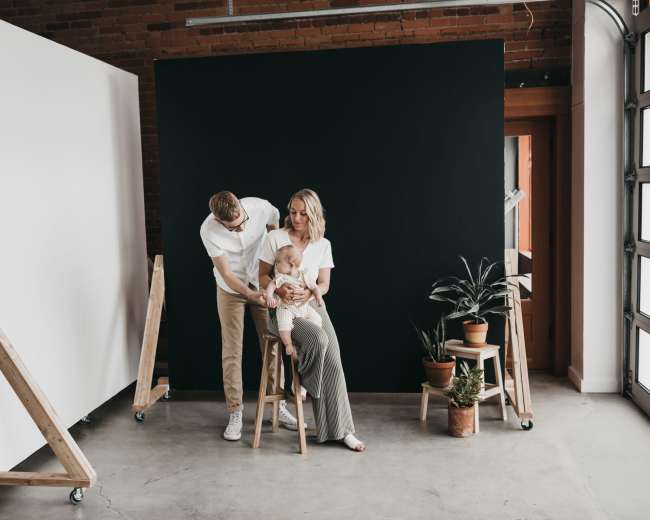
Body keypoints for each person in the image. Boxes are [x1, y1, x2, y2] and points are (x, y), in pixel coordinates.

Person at [258, 188, 365, 452]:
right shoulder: (275, 238)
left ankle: (342, 431)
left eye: (303, 214)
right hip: (282, 312)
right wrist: (279, 289)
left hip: (310, 308)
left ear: (314, 215)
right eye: (292, 212)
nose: (296, 218)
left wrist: (308, 291)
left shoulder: (323, 244)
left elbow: (325, 284)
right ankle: (304, 385)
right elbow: (261, 277)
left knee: (334, 357)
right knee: (319, 339)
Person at [200, 191, 298, 441]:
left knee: (272, 344)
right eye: (234, 229)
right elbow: (226, 273)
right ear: (218, 221)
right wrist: (247, 294)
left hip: (261, 282)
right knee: (232, 349)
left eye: (243, 222)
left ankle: (279, 407)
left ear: (242, 209)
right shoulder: (208, 230)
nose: (241, 229)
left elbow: (276, 226)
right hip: (229, 288)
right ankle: (235, 412)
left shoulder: (259, 207)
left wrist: (274, 269)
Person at [264, 244, 324, 359]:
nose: (275, 265)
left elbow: (314, 287)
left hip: (303, 308)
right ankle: (288, 344)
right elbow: (271, 285)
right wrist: (269, 297)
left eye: (278, 262)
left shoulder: (304, 275)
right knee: (284, 323)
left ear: (291, 264)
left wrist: (318, 297)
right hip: (287, 308)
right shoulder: (281, 277)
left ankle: (309, 342)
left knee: (317, 319)